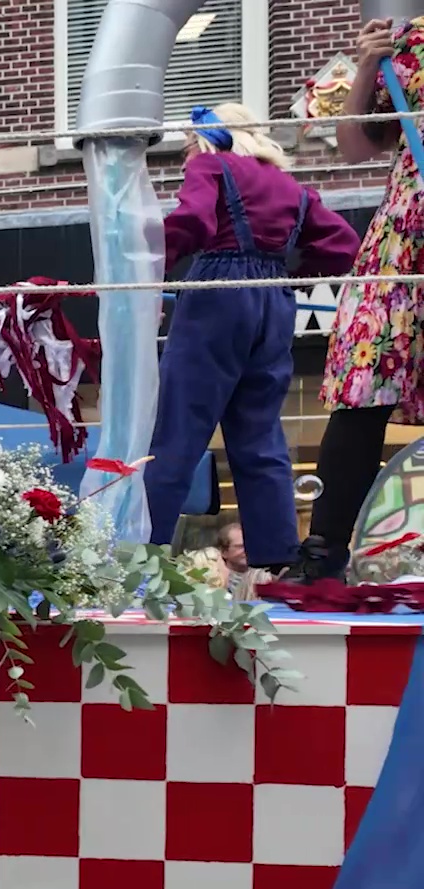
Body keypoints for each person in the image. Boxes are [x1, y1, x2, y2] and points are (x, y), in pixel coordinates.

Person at [144, 101, 359, 570]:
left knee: (179, 430)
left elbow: (195, 221)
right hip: (274, 301)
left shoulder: (212, 165)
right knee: (260, 436)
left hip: (218, 295)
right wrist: (294, 273)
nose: (185, 155)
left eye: (187, 144)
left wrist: (144, 267)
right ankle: (277, 556)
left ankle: (141, 547)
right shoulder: (292, 188)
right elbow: (345, 246)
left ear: (211, 139)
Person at [296, 17, 424, 581]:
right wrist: (370, 62)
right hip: (404, 240)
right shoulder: (409, 40)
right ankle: (323, 551)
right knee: (364, 382)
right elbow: (351, 146)